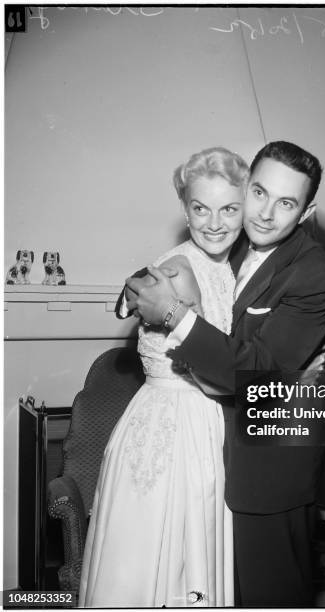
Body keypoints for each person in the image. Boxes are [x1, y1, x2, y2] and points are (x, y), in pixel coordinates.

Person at [126, 140, 325, 607]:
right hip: (206, 454)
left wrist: (173, 315)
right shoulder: (231, 236)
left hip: (269, 465)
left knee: (271, 596)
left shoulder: (319, 274)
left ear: (307, 212)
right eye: (259, 193)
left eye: (286, 202)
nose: (266, 213)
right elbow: (190, 259)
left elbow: (260, 372)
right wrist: (139, 286)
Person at [78, 147, 250, 607]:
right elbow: (218, 380)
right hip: (180, 428)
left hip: (190, 420)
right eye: (200, 208)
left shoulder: (221, 265)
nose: (214, 223)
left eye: (228, 209)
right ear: (184, 207)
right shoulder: (176, 270)